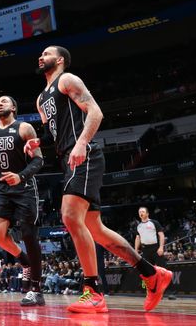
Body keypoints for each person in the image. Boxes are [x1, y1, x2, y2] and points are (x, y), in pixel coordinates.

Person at [28, 46, 172, 313]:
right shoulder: (40, 99)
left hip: (86, 154)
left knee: (70, 217)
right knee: (96, 230)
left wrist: (82, 143)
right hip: (68, 158)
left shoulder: (67, 80)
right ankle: (152, 274)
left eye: (47, 53)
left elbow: (95, 112)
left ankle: (92, 291)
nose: (41, 56)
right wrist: (38, 140)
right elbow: (52, 135)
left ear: (59, 60)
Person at [0, 95, 45, 306]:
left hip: (24, 187)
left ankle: (36, 289)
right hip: (1, 188)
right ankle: (24, 261)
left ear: (14, 107)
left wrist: (20, 176)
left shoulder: (25, 128)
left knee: (28, 235)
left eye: (4, 101)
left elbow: (38, 160)